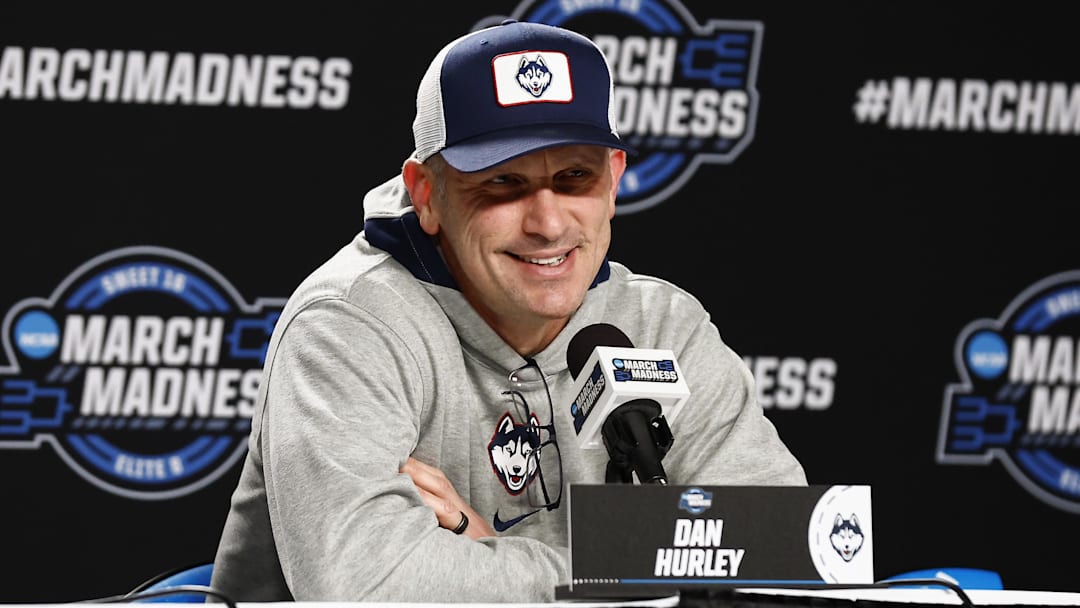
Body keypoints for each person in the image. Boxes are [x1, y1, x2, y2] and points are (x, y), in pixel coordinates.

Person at [210, 19, 806, 603]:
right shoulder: (348, 326)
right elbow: (365, 587)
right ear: (426, 194)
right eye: (503, 183)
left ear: (613, 181)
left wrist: (490, 551)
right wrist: (635, 572)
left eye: (574, 177)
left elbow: (783, 554)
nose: (547, 224)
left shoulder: (662, 325)